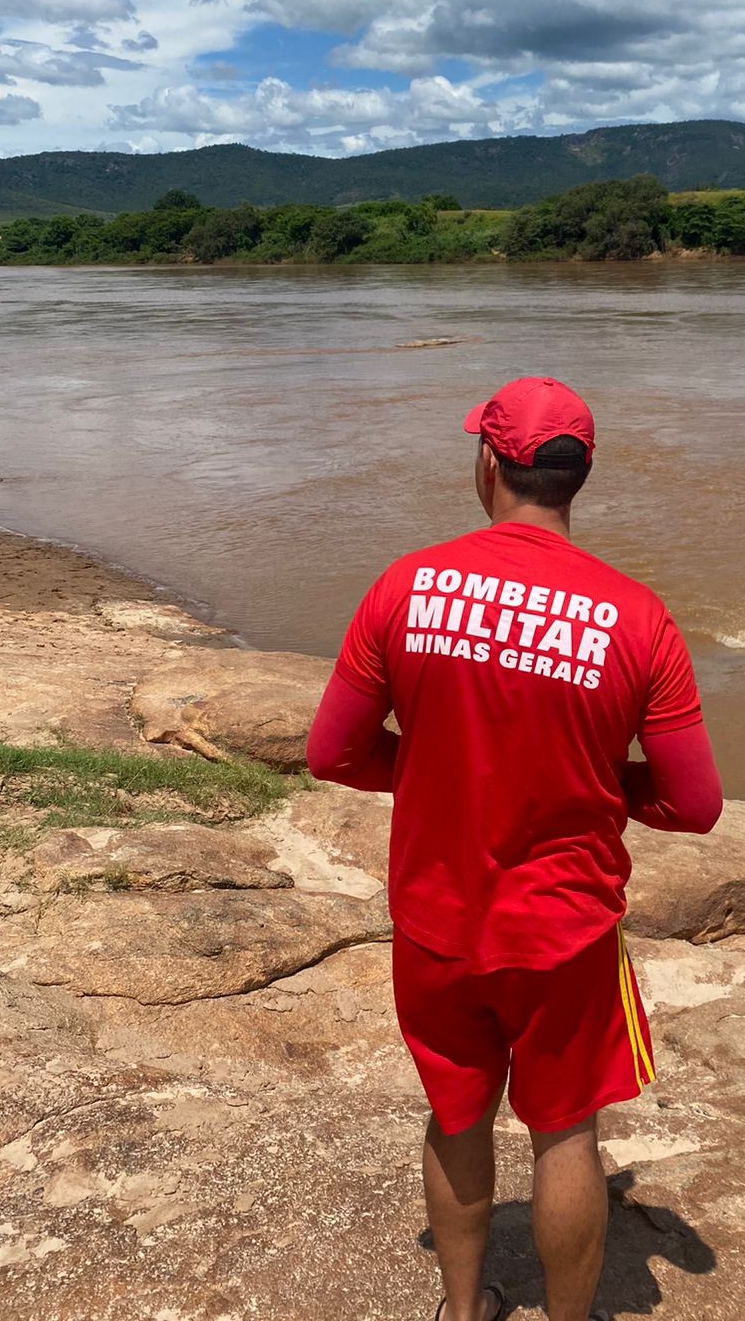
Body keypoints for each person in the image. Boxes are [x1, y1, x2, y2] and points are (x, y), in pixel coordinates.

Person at [306, 375, 722, 1321]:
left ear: (487, 463)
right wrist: (592, 783)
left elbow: (332, 751)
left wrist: (433, 770)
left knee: (457, 1119)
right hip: (563, 932)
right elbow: (695, 804)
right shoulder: (638, 617)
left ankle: (463, 1311)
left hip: (436, 921)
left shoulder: (404, 586)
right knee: (565, 1133)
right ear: (581, 477)